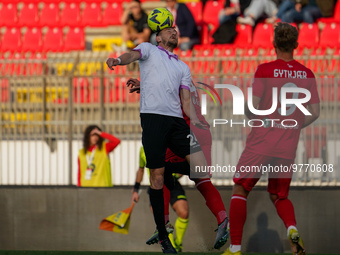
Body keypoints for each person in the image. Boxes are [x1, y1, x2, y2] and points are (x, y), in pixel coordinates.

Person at [106, 27, 228, 253]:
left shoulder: (178, 67)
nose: (173, 33)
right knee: (199, 176)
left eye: (175, 30)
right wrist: (138, 77)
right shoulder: (178, 67)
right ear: (159, 37)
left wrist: (145, 84)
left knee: (160, 172)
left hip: (185, 125)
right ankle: (221, 219)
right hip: (197, 128)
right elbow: (170, 89)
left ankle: (164, 226)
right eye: (169, 30)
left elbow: (178, 98)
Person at [223, 22, 320, 255]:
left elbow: (254, 107)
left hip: (262, 141)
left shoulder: (265, 70)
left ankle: (235, 249)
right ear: (296, 45)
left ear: (274, 43)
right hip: (287, 145)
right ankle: (292, 229)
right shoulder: (307, 74)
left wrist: (248, 111)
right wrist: (295, 126)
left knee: (241, 189)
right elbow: (315, 112)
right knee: (278, 194)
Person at [132, 146, 189, 252]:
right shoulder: (143, 148)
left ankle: (178, 243)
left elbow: (185, 161)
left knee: (184, 213)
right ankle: (171, 245)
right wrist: (136, 189)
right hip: (156, 188)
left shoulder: (170, 142)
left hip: (173, 184)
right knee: (162, 220)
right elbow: (141, 169)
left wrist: (175, 175)